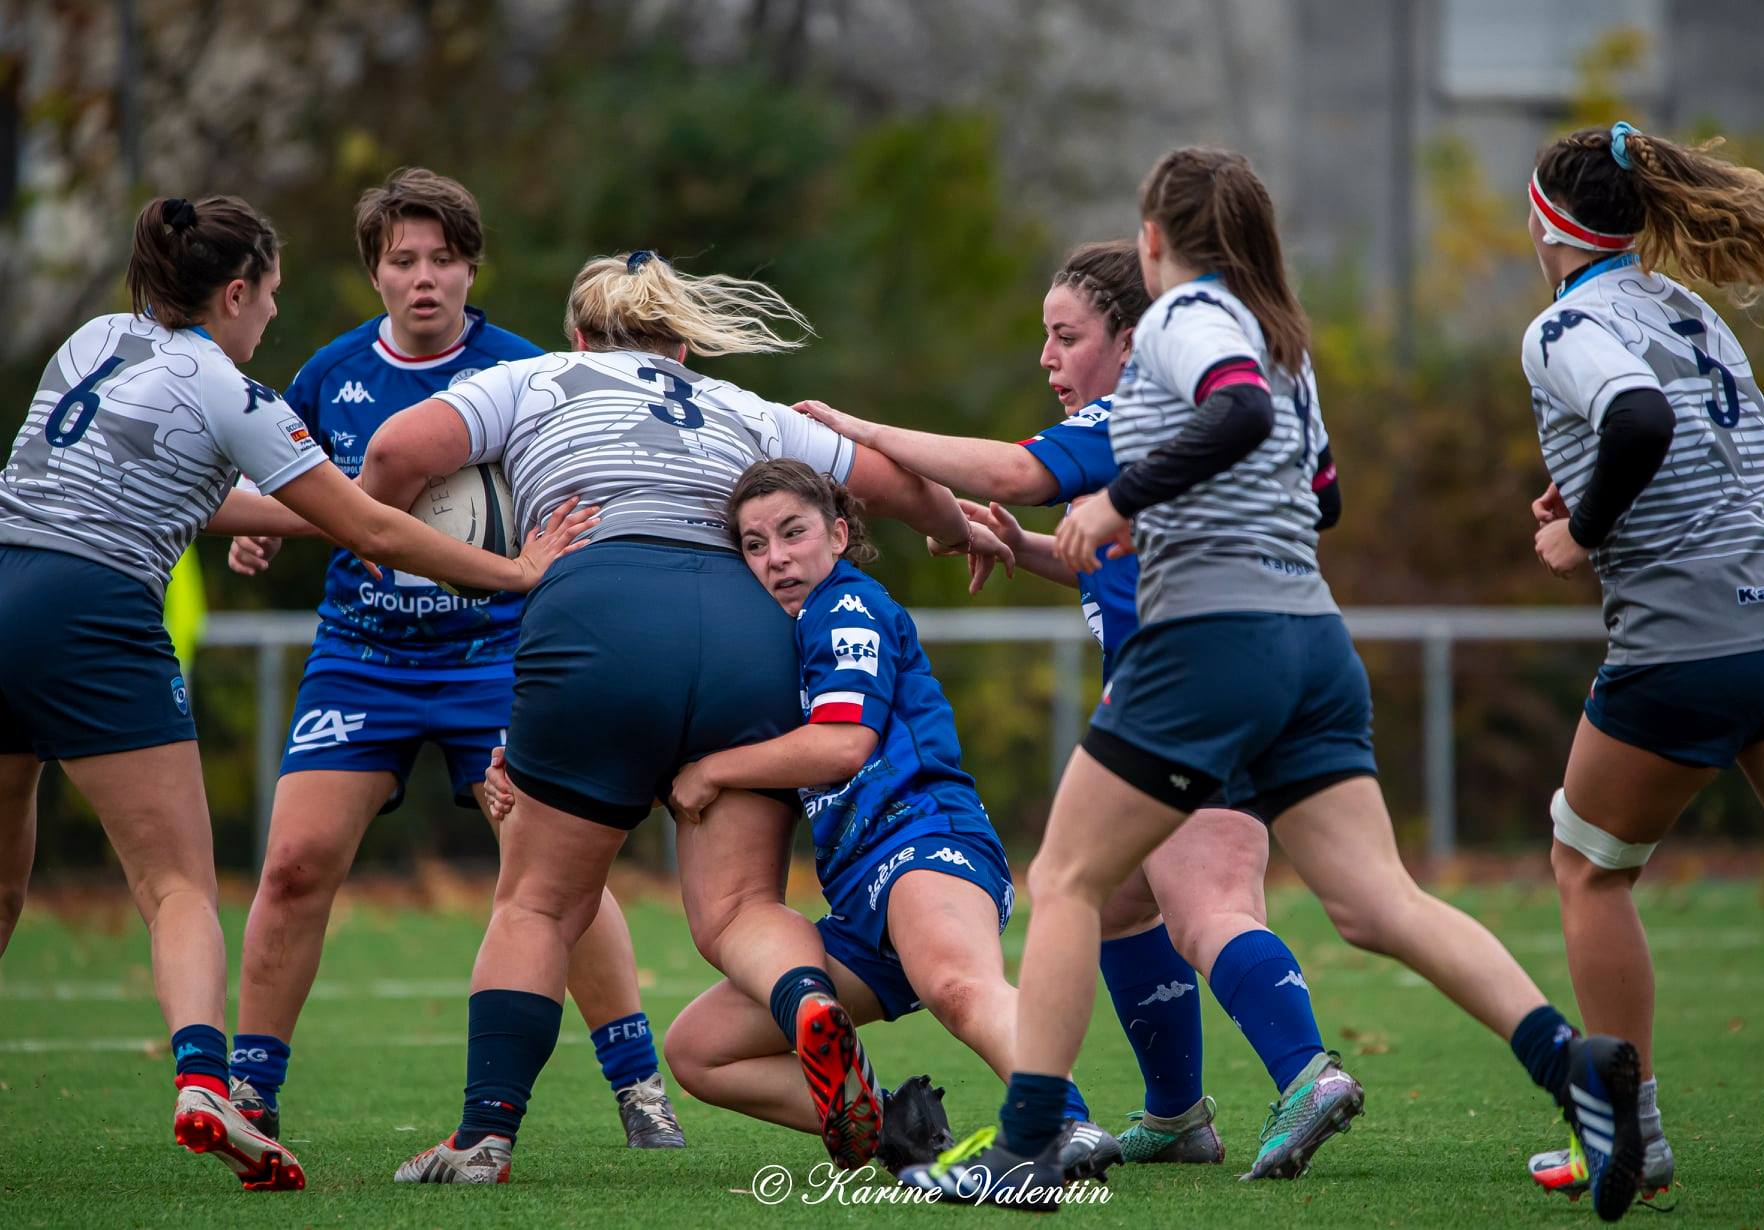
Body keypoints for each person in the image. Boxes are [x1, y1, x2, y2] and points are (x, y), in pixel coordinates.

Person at [897, 147, 1643, 1221]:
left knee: (1063, 883)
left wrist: (1119, 497)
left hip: (1211, 648)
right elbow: (1321, 495)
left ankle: (1021, 1151)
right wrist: (1142, 511)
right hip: (1309, 641)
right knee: (1378, 902)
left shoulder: (1187, 321)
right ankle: (1571, 1063)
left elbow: (1231, 416)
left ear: (1155, 241)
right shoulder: (1284, 338)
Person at [360, 250, 1011, 1184]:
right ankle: (805, 1006)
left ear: (580, 336)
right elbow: (888, 480)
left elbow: (391, 455)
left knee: (542, 901)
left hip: (601, 610)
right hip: (749, 638)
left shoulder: (533, 376)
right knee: (742, 907)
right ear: (682, 345)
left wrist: (386, 542)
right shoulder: (746, 410)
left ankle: (484, 1139)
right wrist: (954, 531)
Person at [0, 196, 591, 1191]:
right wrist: (516, 573)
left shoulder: (98, 338)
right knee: (177, 887)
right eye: (268, 296)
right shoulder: (232, 390)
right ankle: (205, 1081)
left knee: (4, 885)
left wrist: (305, 515)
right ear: (234, 293)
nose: (272, 316)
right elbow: (381, 532)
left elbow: (199, 489)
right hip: (91, 614)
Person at [795, 239, 1354, 1176]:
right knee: (1123, 904)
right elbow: (1124, 563)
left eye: (1065, 337)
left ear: (1131, 341)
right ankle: (1178, 1117)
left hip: (1187, 700)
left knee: (1203, 905)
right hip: (1227, 682)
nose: (1047, 360)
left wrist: (860, 434)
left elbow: (1004, 468)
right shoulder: (1165, 429)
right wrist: (1036, 552)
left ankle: (1309, 1076)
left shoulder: (1139, 418)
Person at [221, 169, 681, 1150]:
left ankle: (639, 1086)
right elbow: (312, 489)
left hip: (500, 660)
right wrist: (261, 532)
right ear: (374, 273)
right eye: (402, 261)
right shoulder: (333, 375)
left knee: (553, 871)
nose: (424, 278)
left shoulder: (526, 372)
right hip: (363, 654)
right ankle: (248, 1098)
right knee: (296, 864)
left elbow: (586, 491)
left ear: (473, 267)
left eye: (443, 259)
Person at [1518, 121, 1764, 1206]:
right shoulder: (1687, 305)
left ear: (1545, 220)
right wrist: (1609, 498)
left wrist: (1584, 530)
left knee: (1587, 866)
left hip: (1691, 644)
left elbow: (1643, 418)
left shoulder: (1563, 323)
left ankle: (1633, 1140)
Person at [639, 459, 1116, 1181]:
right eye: (755, 545)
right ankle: (905, 1131)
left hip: (925, 839)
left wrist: (712, 771)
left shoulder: (846, 607)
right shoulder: (787, 635)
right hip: (861, 899)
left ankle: (1065, 1121)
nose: (777, 558)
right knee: (700, 1049)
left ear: (837, 534)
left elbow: (842, 744)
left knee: (956, 983)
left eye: (793, 533)